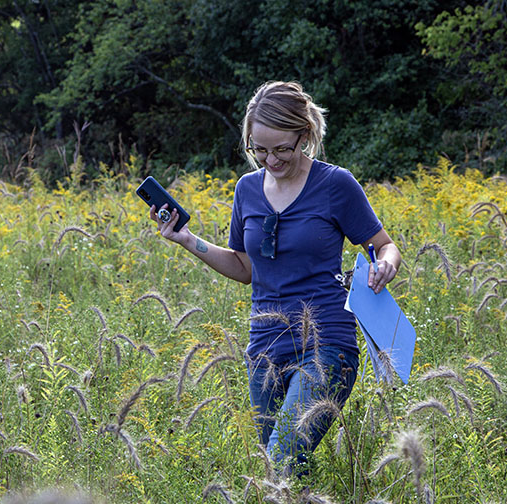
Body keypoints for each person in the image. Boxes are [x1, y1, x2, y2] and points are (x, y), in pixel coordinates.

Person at [152, 80, 401, 477]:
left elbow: (384, 246)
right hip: (264, 348)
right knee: (280, 472)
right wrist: (187, 240)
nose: (270, 159)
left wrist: (385, 264)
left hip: (326, 343)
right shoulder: (247, 190)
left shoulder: (335, 184)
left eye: (281, 148)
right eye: (259, 149)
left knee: (284, 457)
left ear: (304, 135)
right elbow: (245, 268)